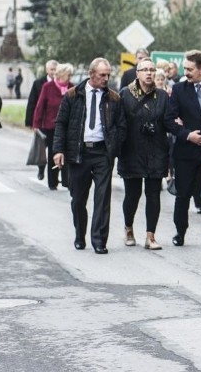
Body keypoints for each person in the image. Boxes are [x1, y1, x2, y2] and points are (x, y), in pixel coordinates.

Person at [52, 58, 126, 254]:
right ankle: (79, 234)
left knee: (102, 199)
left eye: (108, 75)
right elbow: (61, 124)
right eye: (102, 75)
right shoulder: (72, 95)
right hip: (79, 153)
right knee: (78, 199)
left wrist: (114, 146)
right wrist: (58, 150)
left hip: (103, 153)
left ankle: (99, 241)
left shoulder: (114, 98)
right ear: (91, 73)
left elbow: (121, 126)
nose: (106, 78)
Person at [166, 50, 201, 250]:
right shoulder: (180, 90)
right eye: (185, 68)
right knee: (183, 195)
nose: (186, 72)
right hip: (186, 152)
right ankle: (180, 232)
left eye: (190, 69)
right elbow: (169, 120)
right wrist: (188, 135)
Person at [119, 58, 176, 251]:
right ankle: (128, 228)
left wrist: (185, 133)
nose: (149, 73)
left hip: (156, 150)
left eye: (152, 70)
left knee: (153, 195)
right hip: (132, 150)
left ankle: (150, 235)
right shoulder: (125, 94)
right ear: (137, 73)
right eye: (145, 70)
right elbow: (119, 124)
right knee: (132, 195)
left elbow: (168, 122)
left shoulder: (162, 96)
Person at [33, 63, 74, 190]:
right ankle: (53, 182)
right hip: (51, 126)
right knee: (53, 153)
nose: (70, 77)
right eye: (68, 75)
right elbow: (40, 107)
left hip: (68, 127)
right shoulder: (48, 87)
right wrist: (36, 124)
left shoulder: (72, 88)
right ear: (61, 74)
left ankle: (67, 181)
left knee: (67, 153)